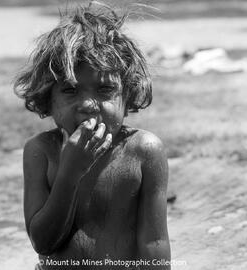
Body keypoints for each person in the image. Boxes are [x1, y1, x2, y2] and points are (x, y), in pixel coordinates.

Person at [14, 2, 170, 269]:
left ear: (129, 94)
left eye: (105, 89)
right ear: (47, 99)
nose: (88, 104)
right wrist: (69, 173)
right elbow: (43, 242)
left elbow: (154, 245)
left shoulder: (144, 151)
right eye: (70, 90)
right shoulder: (41, 151)